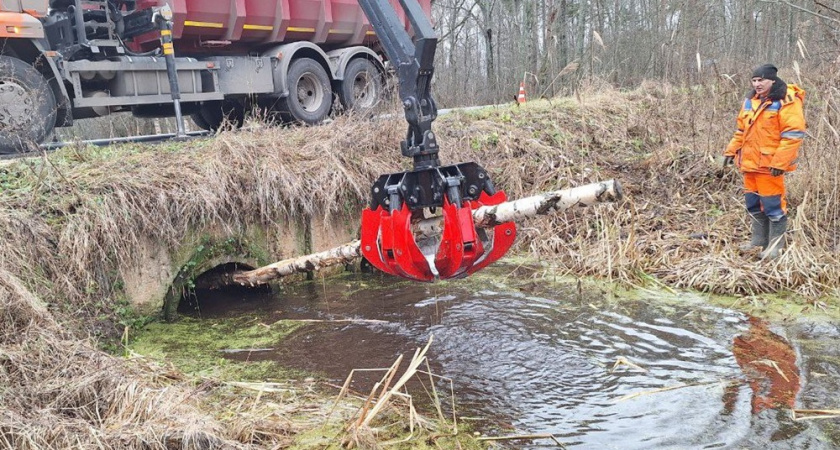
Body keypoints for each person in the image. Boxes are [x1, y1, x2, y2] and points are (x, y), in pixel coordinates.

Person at [723, 64, 806, 259]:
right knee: (753, 204)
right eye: (754, 80)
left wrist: (779, 163)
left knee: (773, 206)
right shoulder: (750, 101)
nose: (757, 84)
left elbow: (793, 135)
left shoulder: (786, 100)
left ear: (773, 80)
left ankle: (775, 247)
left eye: (762, 80)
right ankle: (758, 242)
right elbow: (741, 131)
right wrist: (730, 151)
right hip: (749, 164)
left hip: (769, 166)